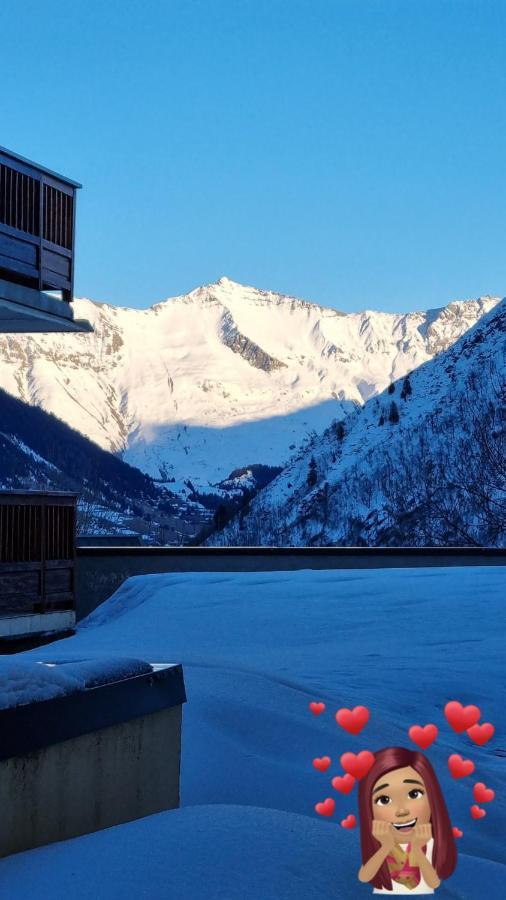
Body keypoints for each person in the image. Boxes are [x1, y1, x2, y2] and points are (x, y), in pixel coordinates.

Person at [357, 747, 457, 894]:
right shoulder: (378, 843)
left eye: (414, 794)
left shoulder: (430, 842)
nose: (401, 810)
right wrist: (385, 846)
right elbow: (364, 877)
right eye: (384, 800)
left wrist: (417, 848)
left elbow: (433, 882)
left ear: (432, 799)